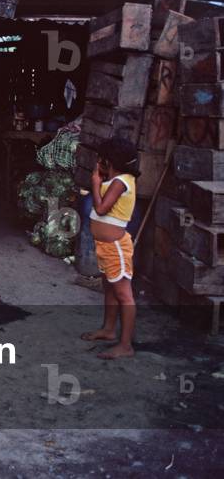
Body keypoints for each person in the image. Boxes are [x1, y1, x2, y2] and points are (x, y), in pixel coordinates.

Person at [82, 137, 141, 359]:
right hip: (105, 247)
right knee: (110, 288)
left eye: (101, 158)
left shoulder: (120, 182)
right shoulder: (116, 179)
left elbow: (102, 207)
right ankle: (108, 330)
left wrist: (95, 183)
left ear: (108, 160)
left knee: (124, 295)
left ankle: (126, 345)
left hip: (116, 247)